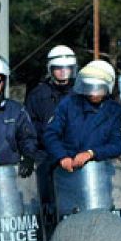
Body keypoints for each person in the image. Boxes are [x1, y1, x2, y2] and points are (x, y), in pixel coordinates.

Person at [43, 60, 121, 173]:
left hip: (100, 172)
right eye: (89, 87)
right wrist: (62, 156)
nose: (94, 93)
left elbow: (118, 144)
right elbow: (50, 133)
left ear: (108, 87)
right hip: (66, 170)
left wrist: (92, 153)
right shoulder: (69, 104)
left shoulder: (115, 111)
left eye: (98, 88)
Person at [26, 45, 78, 219]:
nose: (63, 73)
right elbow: (29, 128)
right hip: (47, 161)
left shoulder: (81, 93)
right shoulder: (38, 95)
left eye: (67, 69)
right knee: (50, 212)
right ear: (50, 70)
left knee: (77, 209)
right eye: (58, 69)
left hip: (75, 162)